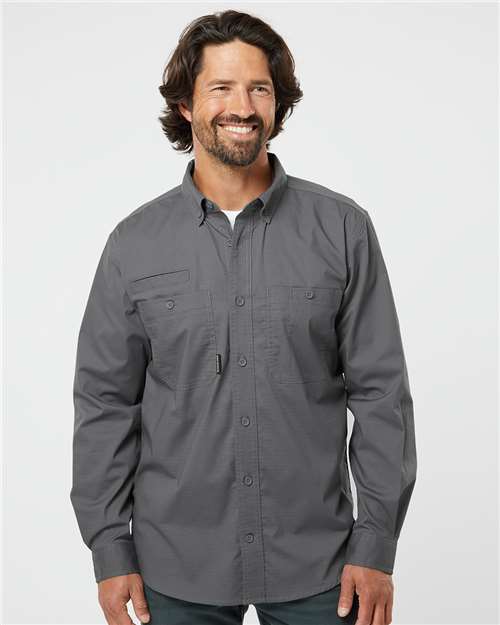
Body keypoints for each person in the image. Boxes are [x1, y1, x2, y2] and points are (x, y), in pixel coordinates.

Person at [70, 9, 417, 625]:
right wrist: (109, 548)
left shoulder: (342, 229)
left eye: (259, 88)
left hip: (322, 565)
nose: (243, 106)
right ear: (186, 104)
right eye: (221, 88)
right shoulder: (134, 244)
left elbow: (381, 395)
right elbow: (105, 403)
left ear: (278, 105)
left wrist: (376, 544)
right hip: (173, 567)